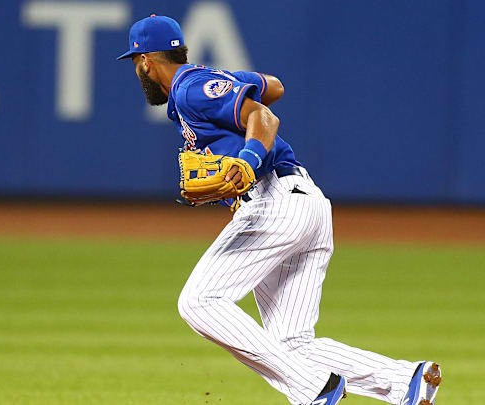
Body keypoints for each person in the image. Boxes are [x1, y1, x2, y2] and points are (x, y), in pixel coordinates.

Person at [116, 14, 441, 405]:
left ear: (146, 61)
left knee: (199, 302)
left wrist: (247, 161)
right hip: (309, 207)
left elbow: (264, 115)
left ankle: (313, 388)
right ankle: (405, 379)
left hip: (275, 204)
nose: (137, 72)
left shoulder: (190, 90)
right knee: (292, 343)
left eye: (136, 63)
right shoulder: (205, 81)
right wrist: (238, 87)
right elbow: (274, 86)